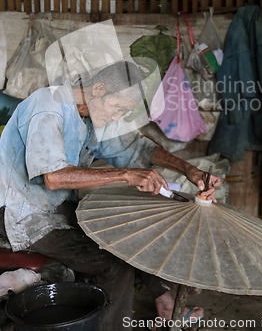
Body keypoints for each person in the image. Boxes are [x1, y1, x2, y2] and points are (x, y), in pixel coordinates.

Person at [0, 60, 219, 330]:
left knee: (125, 233)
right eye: (118, 108)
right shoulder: (47, 107)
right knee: (115, 264)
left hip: (56, 208)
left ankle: (165, 302)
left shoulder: (94, 112)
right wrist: (126, 175)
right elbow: (54, 177)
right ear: (98, 89)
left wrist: (189, 170)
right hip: (20, 214)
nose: (117, 118)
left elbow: (136, 146)